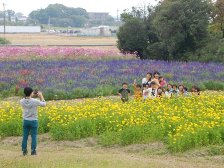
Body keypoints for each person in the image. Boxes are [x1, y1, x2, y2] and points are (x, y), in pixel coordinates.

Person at [20, 87, 46, 156]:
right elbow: (44, 104)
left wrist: (31, 95)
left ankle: (24, 151)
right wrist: (41, 96)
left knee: (25, 136)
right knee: (34, 136)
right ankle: (33, 151)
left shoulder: (21, 101)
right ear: (31, 93)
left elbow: (27, 99)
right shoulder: (34, 101)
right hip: (34, 121)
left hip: (25, 120)